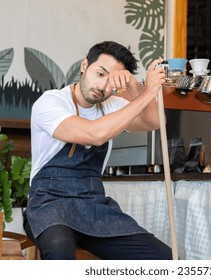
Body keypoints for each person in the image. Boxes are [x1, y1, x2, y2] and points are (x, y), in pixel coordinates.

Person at [23, 41, 172, 260]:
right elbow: (94, 134)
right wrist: (148, 93)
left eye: (111, 81)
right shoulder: (51, 102)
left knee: (162, 258)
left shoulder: (111, 104)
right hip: (50, 206)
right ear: (84, 66)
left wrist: (135, 88)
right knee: (59, 250)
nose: (102, 86)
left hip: (94, 208)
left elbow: (155, 121)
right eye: (100, 73)